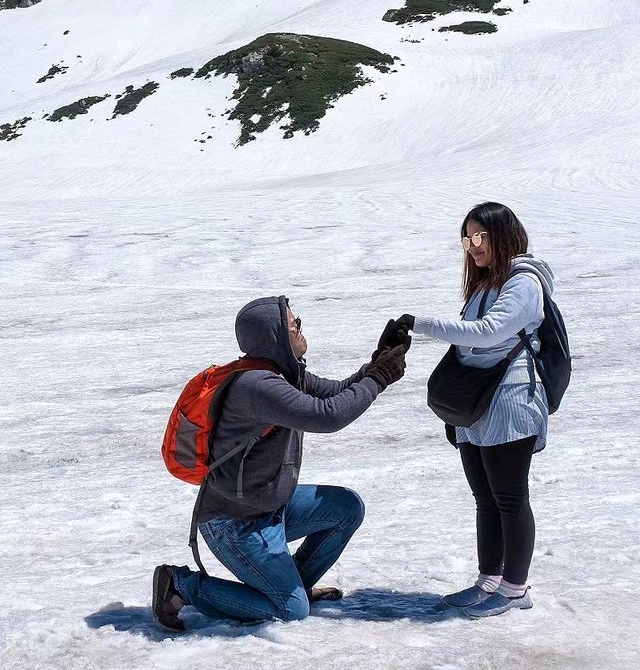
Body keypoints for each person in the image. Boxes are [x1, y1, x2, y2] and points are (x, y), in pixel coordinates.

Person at [153, 296, 408, 630]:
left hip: (270, 507)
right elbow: (328, 416)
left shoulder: (282, 374)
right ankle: (180, 584)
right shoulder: (257, 386)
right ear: (273, 337)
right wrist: (379, 378)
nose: (301, 329)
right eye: (294, 325)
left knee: (347, 507)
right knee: (291, 612)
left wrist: (376, 364)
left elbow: (335, 393)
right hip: (234, 524)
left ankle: (289, 586)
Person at [397, 202, 554, 619]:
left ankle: (516, 588)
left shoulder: (524, 283)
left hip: (510, 400)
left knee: (509, 497)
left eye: (479, 236)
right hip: (477, 404)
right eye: (466, 238)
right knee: (485, 498)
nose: (472, 246)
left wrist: (420, 322)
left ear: (503, 233)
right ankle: (489, 581)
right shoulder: (486, 284)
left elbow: (488, 334)